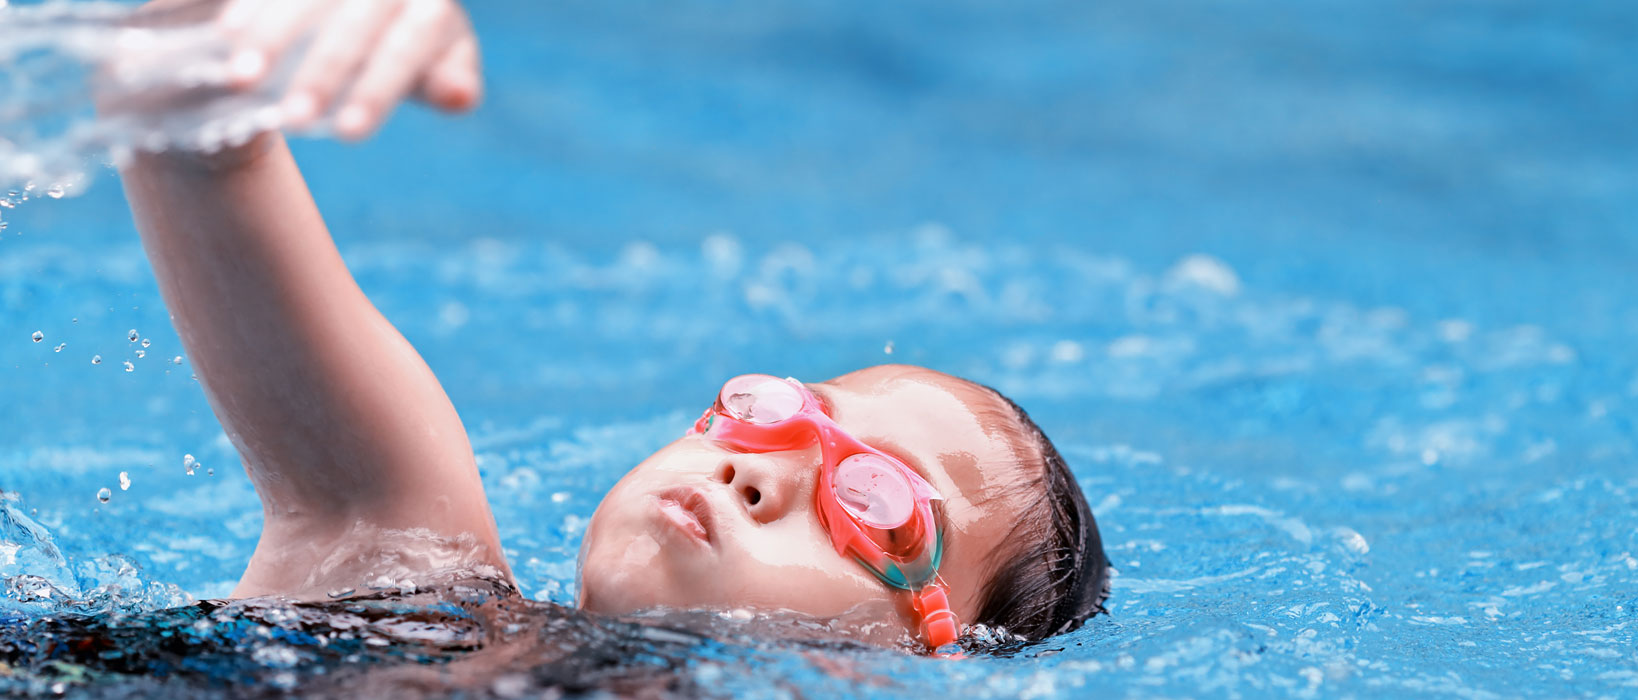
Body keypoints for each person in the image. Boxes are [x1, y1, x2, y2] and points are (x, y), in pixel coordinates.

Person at [121, 0, 1109, 653]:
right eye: (782, 414)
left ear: (922, 657)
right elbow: (193, 139)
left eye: (877, 501)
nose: (757, 476)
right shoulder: (400, 569)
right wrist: (228, 45)